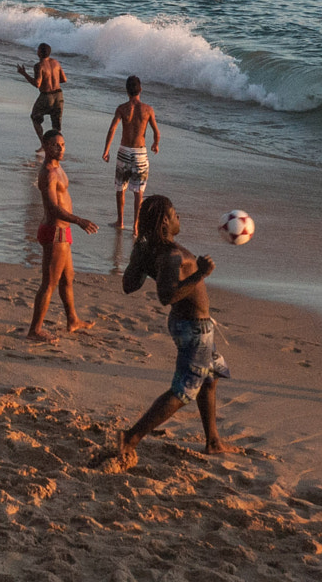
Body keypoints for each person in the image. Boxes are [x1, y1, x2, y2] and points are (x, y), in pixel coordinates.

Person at [109, 194, 226, 464]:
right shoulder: (172, 255)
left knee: (210, 376)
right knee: (183, 391)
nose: (179, 217)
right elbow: (166, 296)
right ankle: (131, 437)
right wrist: (200, 274)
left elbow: (129, 285)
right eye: (174, 214)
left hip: (193, 326)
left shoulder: (151, 249)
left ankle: (213, 441)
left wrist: (138, 258)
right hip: (193, 329)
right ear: (165, 221)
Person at [27, 130, 97, 340]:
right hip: (55, 232)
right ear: (46, 146)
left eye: (63, 144)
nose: (61, 148)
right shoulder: (48, 173)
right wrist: (79, 221)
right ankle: (35, 330)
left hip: (63, 232)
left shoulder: (58, 167)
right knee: (49, 283)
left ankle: (72, 320)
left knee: (68, 278)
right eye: (55, 145)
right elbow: (52, 207)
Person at [101, 76, 160, 230]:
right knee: (138, 191)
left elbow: (112, 129)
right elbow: (156, 132)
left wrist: (106, 150)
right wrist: (155, 144)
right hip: (140, 153)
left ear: (126, 90)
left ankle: (120, 222)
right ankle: (136, 225)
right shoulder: (148, 109)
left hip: (124, 152)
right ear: (140, 89)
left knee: (121, 188)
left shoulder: (122, 108)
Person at [20, 42, 65, 145]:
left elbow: (37, 84)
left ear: (39, 53)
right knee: (56, 126)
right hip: (59, 95)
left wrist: (24, 74)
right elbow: (64, 79)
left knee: (35, 118)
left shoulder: (39, 65)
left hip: (46, 96)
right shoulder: (56, 63)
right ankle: (57, 147)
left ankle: (44, 144)